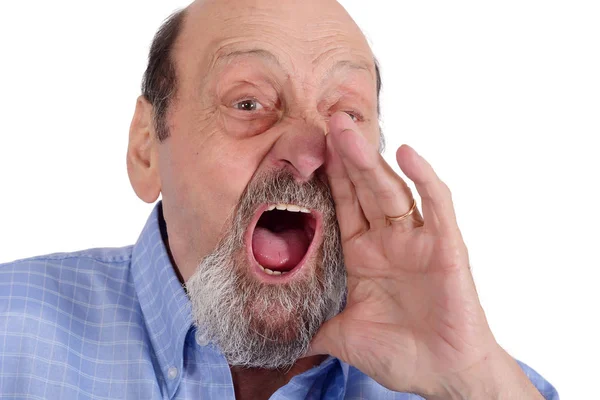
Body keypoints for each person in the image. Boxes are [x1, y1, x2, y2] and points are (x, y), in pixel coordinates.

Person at [0, 0, 559, 399]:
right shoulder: (11, 332)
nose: (309, 150)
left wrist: (473, 378)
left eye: (346, 114)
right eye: (248, 103)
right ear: (148, 149)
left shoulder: (486, 385)